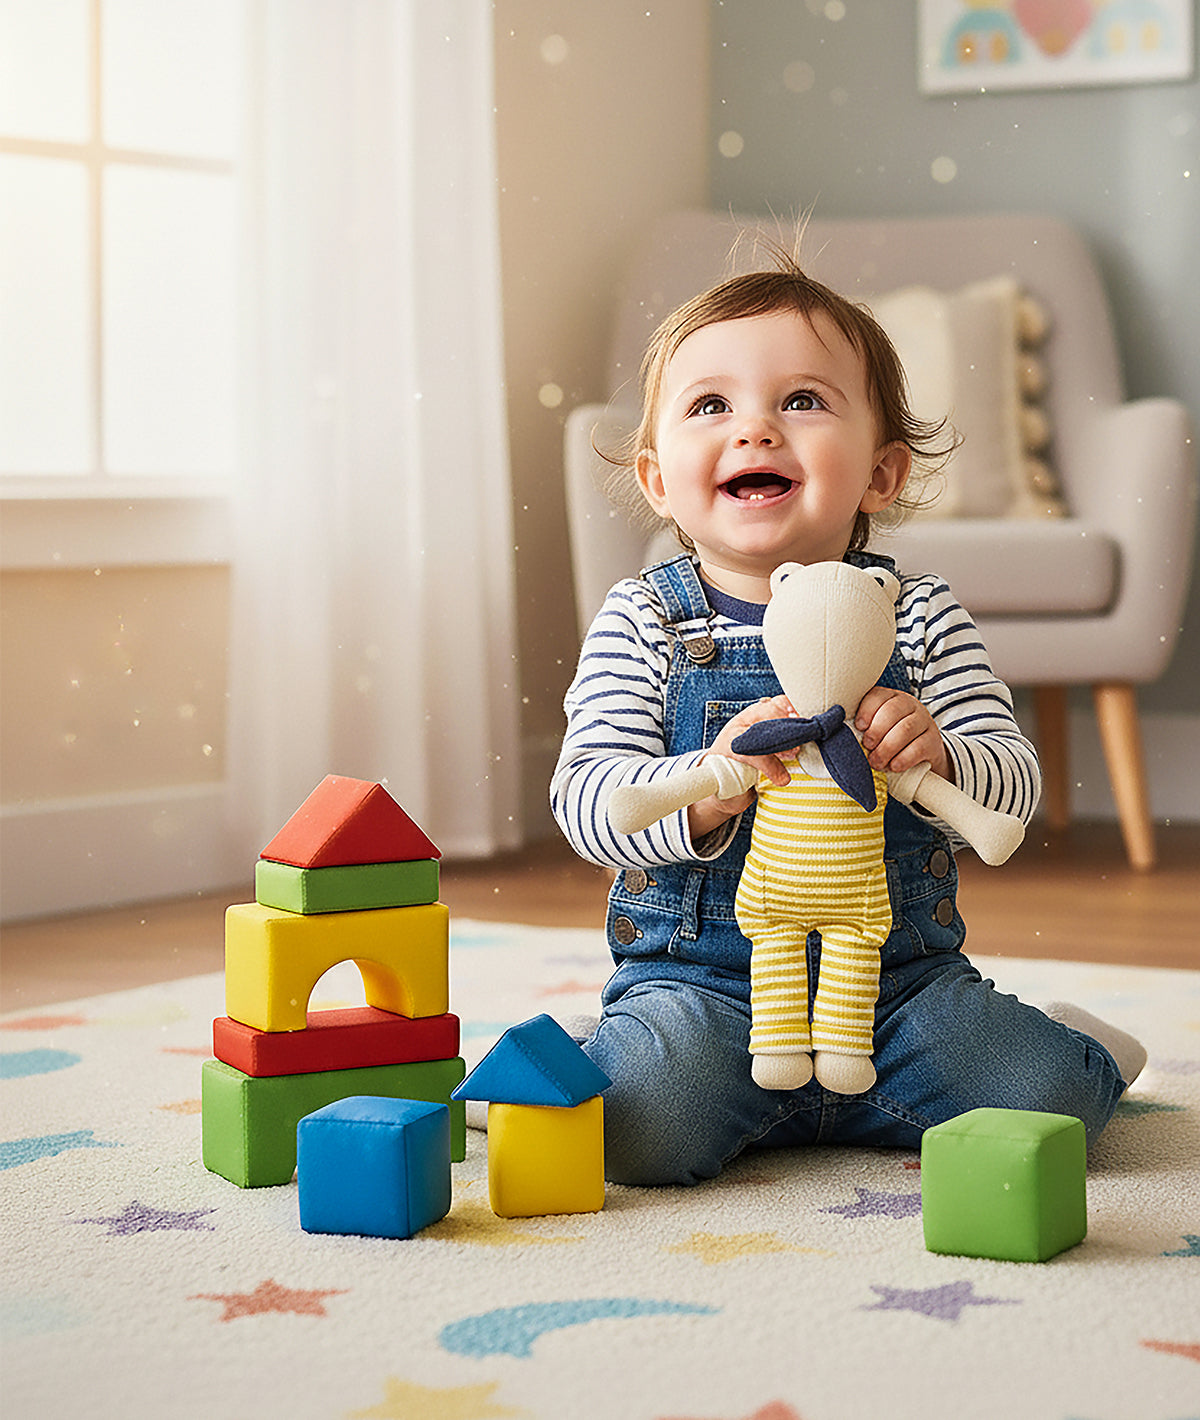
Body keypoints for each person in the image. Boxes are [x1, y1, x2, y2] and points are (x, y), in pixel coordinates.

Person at [549, 256, 1145, 1188]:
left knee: (1045, 1098)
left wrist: (942, 749)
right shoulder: (644, 619)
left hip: (901, 990)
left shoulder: (924, 614)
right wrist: (702, 788)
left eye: (802, 401)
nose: (754, 426)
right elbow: (587, 804)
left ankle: (1076, 1044)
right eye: (711, 405)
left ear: (881, 471)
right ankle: (619, 1050)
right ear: (658, 478)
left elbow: (1013, 788)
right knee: (632, 1131)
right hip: (704, 992)